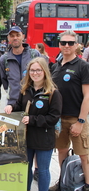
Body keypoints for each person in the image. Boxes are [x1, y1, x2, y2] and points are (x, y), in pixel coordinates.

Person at [5, 57, 62, 191]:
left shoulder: (53, 93)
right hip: (27, 137)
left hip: (44, 138)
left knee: (42, 171)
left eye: (38, 70)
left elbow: (53, 118)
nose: (35, 73)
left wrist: (32, 120)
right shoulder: (25, 90)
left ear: (45, 71)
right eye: (32, 70)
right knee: (26, 169)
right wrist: (11, 107)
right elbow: (19, 105)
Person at [50, 30, 89, 191]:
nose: (67, 46)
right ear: (59, 45)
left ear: (77, 45)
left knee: (84, 155)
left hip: (76, 118)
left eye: (70, 43)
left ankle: (87, 184)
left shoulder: (83, 66)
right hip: (59, 119)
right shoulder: (55, 66)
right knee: (62, 151)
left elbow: (87, 96)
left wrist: (80, 121)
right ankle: (63, 182)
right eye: (63, 43)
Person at [0, 26, 41, 105]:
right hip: (13, 103)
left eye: (18, 35)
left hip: (33, 101)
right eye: (12, 36)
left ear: (23, 36)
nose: (15, 38)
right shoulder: (4, 59)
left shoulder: (34, 54)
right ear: (8, 38)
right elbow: (4, 80)